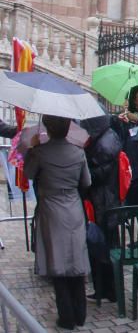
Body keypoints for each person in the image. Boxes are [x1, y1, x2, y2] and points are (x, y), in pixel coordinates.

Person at [24, 115, 91, 329]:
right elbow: (86, 182)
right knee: (76, 257)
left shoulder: (40, 152)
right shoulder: (78, 152)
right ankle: (80, 313)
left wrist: (32, 149)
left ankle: (67, 317)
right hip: (73, 207)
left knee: (57, 260)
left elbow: (28, 174)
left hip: (51, 208)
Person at [80, 114, 122, 304]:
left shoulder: (103, 145)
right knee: (105, 246)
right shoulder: (108, 137)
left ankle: (107, 290)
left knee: (101, 247)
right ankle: (107, 289)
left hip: (103, 202)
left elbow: (96, 176)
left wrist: (81, 169)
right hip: (106, 201)